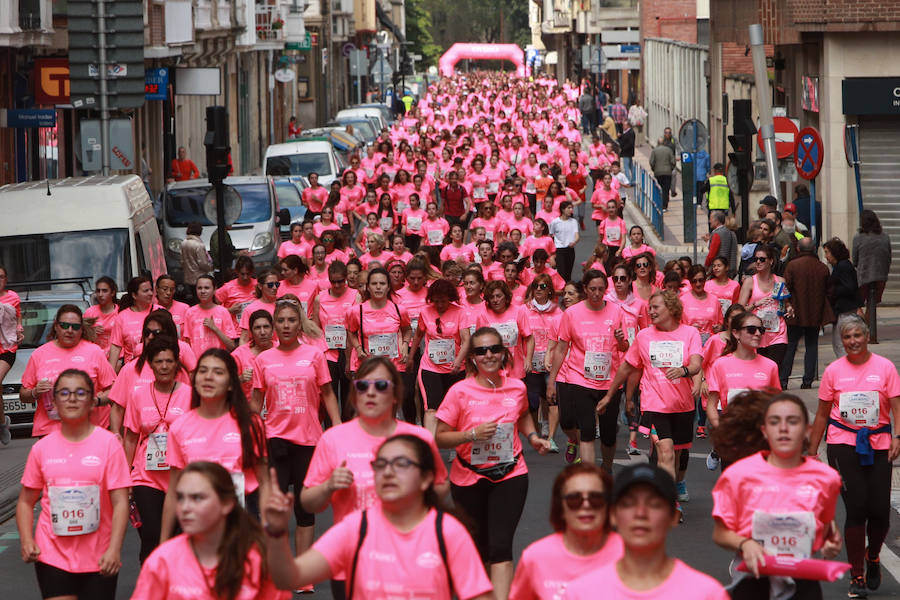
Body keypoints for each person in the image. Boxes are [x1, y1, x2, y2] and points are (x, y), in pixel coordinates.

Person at [267, 434, 493, 600]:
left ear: (426, 479)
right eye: (381, 464)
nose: (388, 472)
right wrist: (276, 533)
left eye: (401, 464)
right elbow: (288, 577)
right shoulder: (356, 528)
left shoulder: (448, 532)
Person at [301, 357, 448, 599]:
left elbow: (441, 489)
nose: (370, 393)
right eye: (362, 386)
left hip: (410, 559)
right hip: (353, 563)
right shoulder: (334, 438)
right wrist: (328, 486)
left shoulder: (419, 438)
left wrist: (417, 485)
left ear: (395, 395)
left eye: (380, 386)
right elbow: (308, 502)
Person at [436, 327, 551, 600]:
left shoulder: (517, 386)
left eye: (494, 349)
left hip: (510, 474)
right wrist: (471, 435)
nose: (488, 355)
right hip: (468, 477)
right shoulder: (459, 391)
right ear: (472, 358)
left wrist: (533, 436)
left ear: (503, 353)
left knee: (500, 546)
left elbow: (521, 415)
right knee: (477, 548)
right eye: (481, 351)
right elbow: (439, 438)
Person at [711, 392, 842, 599]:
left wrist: (831, 545)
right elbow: (720, 534)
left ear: (807, 431)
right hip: (754, 578)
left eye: (792, 421)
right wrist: (746, 544)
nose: (783, 428)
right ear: (764, 430)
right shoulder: (738, 475)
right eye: (774, 422)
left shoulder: (827, 478)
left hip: (803, 580)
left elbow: (825, 527)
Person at [16, 369, 131, 600]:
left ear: (91, 401)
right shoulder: (41, 448)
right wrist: (27, 540)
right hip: (52, 553)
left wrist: (114, 549)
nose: (72, 398)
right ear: (54, 402)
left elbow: (120, 503)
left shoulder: (109, 445)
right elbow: (25, 502)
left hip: (99, 554)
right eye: (64, 393)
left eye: (80, 393)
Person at [808, 315, 900, 597]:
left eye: (857, 335)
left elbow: (897, 406)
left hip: (879, 443)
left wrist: (898, 437)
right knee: (857, 507)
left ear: (867, 335)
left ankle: (873, 558)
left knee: (880, 512)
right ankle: (856, 574)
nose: (852, 341)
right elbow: (822, 413)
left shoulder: (885, 368)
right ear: (842, 341)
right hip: (842, 444)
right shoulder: (834, 371)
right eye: (847, 337)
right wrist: (812, 452)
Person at [252, 298, 340, 583]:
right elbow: (255, 404)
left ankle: (302, 573)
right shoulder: (263, 360)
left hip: (308, 439)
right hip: (275, 439)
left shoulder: (314, 356)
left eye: (291, 320)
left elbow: (327, 394)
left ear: (299, 323)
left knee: (304, 507)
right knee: (273, 507)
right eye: (281, 321)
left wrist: (338, 429)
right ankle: (274, 569)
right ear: (274, 325)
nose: (286, 326)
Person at [598, 291, 702, 519]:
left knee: (676, 453)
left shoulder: (690, 333)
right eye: (650, 308)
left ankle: (670, 488)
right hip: (655, 405)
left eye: (656, 307)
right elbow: (627, 367)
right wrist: (609, 395)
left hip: (683, 405)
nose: (651, 312)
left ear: (672, 309)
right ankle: (671, 503)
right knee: (665, 451)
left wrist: (685, 372)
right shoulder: (644, 336)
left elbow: (696, 363)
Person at [563, 463, 728, 600]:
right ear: (613, 515)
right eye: (628, 503)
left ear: (674, 516)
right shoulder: (580, 593)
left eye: (654, 504)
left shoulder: (707, 594)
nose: (640, 513)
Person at [132, 461, 289, 599]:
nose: (185, 508)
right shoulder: (162, 561)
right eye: (180, 498)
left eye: (197, 498)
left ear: (227, 503)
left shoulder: (256, 561)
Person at [161, 349, 270, 540]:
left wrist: (269, 534)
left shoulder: (251, 423)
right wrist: (163, 543)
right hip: (196, 521)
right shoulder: (179, 427)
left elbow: (264, 481)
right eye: (203, 371)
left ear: (230, 384)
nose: (208, 377)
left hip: (241, 519)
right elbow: (173, 491)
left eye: (218, 372)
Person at [547, 270, 628, 469]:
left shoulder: (616, 312)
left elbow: (625, 347)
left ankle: (606, 469)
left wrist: (620, 340)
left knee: (608, 434)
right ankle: (591, 476)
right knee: (588, 429)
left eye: (601, 289)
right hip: (579, 378)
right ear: (585, 290)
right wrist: (552, 381)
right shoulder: (572, 314)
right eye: (592, 289)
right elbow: (561, 349)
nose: (597, 294)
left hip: (609, 381)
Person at [122, 336, 193, 564]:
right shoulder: (138, 394)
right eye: (159, 361)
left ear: (177, 364)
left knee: (176, 538)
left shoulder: (190, 395)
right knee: (151, 537)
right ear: (150, 365)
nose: (164, 366)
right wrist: (125, 480)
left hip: (180, 477)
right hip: (146, 477)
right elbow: (131, 438)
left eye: (169, 361)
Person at [509, 463, 623, 600]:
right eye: (574, 499)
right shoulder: (535, 557)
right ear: (560, 507)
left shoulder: (629, 554)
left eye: (596, 498)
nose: (585, 505)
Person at [21, 305, 117, 437]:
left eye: (75, 327)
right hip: (50, 430)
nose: (70, 330)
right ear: (56, 326)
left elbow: (114, 390)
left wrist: (96, 401)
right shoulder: (39, 355)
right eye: (64, 325)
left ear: (81, 329)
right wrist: (34, 392)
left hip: (89, 429)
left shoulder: (94, 352)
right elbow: (23, 394)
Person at [407, 279, 470, 433]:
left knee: (455, 409)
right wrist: (410, 357)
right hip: (430, 367)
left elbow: (466, 340)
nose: (440, 305)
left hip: (455, 368)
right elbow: (418, 335)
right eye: (436, 301)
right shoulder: (425, 311)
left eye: (443, 301)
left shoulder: (460, 312)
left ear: (450, 298)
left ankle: (456, 447)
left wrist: (458, 361)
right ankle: (430, 445)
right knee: (430, 408)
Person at [705, 312, 781, 433]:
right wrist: (721, 429)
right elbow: (711, 405)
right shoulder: (721, 365)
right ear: (735, 333)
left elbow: (777, 404)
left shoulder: (770, 366)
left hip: (760, 438)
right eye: (751, 329)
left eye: (761, 330)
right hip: (732, 438)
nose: (757, 334)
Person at [782, 236, 834, 389]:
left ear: (798, 249)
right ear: (813, 249)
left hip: (795, 313)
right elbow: (829, 292)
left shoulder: (792, 266)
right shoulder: (822, 268)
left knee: (790, 346)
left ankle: (784, 379)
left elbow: (786, 289)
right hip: (815, 312)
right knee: (812, 345)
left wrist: (788, 305)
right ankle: (807, 380)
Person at [738, 245, 793, 384]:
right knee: (759, 373)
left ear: (771, 261)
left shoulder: (780, 281)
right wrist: (756, 304)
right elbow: (739, 310)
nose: (758, 262)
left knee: (773, 369)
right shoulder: (750, 282)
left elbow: (786, 303)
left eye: (762, 259)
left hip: (777, 332)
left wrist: (790, 308)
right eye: (756, 259)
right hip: (757, 334)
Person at [853, 210, 891, 343]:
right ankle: (869, 331)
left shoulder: (858, 237)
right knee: (872, 304)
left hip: (863, 275)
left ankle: (862, 324)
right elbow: (889, 257)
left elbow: (855, 259)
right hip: (881, 275)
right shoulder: (885, 236)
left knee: (857, 302)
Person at [109, 276, 160, 369]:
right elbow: (116, 347)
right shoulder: (122, 317)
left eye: (151, 290)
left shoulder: (160, 312)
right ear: (134, 295)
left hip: (158, 367)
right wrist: (111, 375)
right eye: (145, 291)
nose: (150, 293)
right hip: (133, 369)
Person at [824, 237, 863, 359]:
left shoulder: (843, 266)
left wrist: (832, 291)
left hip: (845, 310)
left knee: (841, 343)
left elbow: (849, 287)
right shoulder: (842, 266)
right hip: (844, 310)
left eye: (827, 252)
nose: (826, 256)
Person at [183, 274, 237, 356]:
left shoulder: (223, 312)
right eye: (199, 288)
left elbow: (232, 346)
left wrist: (215, 329)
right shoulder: (190, 312)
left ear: (215, 290)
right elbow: (187, 344)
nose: (203, 291)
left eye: (207, 288)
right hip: (198, 364)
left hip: (219, 362)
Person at [232, 309, 275, 403]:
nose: (262, 332)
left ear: (273, 329)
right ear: (251, 332)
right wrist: (240, 379)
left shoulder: (282, 349)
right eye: (257, 328)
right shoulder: (239, 354)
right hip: (248, 410)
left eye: (266, 327)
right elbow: (224, 384)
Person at [238, 269, 281, 344]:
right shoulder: (250, 309)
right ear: (260, 286)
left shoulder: (283, 305)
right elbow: (244, 339)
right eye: (270, 285)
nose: (274, 288)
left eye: (277, 284)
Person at [83, 276, 119, 356]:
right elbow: (80, 335)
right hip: (95, 356)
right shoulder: (90, 312)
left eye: (104, 291)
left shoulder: (120, 312)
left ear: (112, 293)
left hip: (117, 358)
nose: (100, 294)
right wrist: (91, 332)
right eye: (98, 291)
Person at [180, 222, 212, 303]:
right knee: (201, 299)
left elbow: (182, 261)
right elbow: (203, 263)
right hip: (199, 276)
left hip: (188, 276)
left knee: (194, 298)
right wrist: (210, 267)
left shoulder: (184, 243)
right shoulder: (199, 245)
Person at [549, 201, 579, 281]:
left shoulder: (573, 221)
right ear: (562, 209)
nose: (571, 210)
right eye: (568, 208)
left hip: (570, 249)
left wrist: (574, 242)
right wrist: (552, 253)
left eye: (571, 208)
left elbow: (576, 235)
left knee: (568, 274)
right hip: (559, 250)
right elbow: (550, 236)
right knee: (561, 273)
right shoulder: (555, 222)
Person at [704, 211, 738, 276]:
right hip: (730, 269)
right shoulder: (731, 233)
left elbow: (712, 254)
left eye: (710, 219)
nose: (709, 221)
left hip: (719, 270)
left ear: (717, 221)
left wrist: (706, 266)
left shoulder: (717, 234)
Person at [649, 139, 676, 211]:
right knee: (666, 189)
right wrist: (671, 168)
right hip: (667, 173)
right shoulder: (669, 150)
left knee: (658, 188)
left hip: (658, 173)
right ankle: (665, 206)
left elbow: (651, 162)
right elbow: (673, 161)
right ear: (664, 143)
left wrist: (654, 169)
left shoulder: (655, 151)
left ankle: (659, 204)